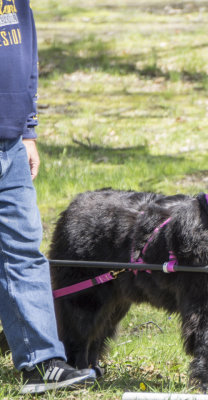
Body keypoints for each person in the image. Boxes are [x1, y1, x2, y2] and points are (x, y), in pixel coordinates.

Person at [0, 0, 96, 394]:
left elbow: (26, 55)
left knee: (23, 251)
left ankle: (41, 361)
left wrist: (27, 130)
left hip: (9, 144)